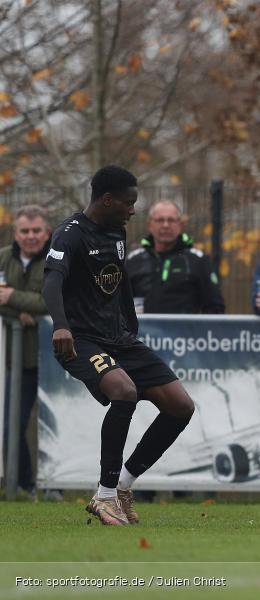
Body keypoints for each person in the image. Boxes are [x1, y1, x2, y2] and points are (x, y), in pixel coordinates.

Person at [42, 166, 195, 525]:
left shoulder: (117, 232)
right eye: (129, 202)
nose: (133, 209)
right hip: (79, 340)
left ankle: (124, 486)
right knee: (123, 390)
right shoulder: (69, 235)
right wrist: (61, 327)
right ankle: (105, 495)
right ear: (107, 199)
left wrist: (131, 329)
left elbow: (119, 283)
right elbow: (51, 283)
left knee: (181, 406)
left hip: (120, 340)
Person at [0, 205, 51, 499]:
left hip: (55, 361)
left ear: (47, 232)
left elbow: (55, 301)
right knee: (11, 428)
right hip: (13, 362)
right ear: (15, 233)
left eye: (36, 231)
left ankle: (54, 488)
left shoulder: (57, 259)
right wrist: (20, 311)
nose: (31, 236)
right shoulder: (4, 258)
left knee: (55, 429)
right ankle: (26, 486)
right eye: (24, 231)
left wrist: (12, 298)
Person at [126, 199, 225, 314]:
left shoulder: (198, 260)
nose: (166, 225)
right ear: (149, 225)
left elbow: (215, 307)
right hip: (142, 331)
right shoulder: (134, 260)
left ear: (181, 224)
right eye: (160, 220)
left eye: (171, 220)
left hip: (185, 331)